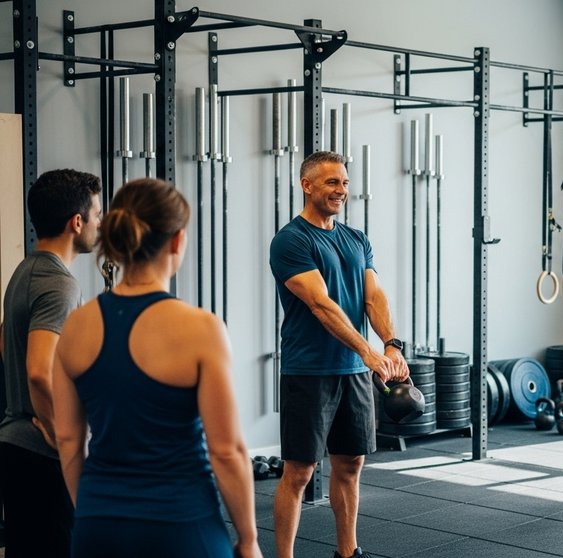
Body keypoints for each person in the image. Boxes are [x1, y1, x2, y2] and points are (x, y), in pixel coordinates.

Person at [50, 178, 261, 558]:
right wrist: (248, 540)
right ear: (177, 241)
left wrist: (95, 512)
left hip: (97, 527)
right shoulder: (201, 328)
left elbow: (68, 441)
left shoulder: (75, 326)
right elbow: (227, 451)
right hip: (181, 525)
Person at [270, 151, 409, 558]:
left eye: (345, 183)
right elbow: (321, 304)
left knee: (351, 464)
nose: (341, 191)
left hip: (354, 371)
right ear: (306, 185)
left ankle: (348, 552)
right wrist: (368, 351)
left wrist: (391, 343)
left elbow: (374, 296)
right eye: (332, 182)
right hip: (309, 370)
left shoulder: (356, 238)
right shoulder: (291, 240)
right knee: (299, 471)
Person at [0, 169, 101, 558]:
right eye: (97, 214)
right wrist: (64, 440)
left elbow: (5, 338)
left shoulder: (25, 270)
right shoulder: (60, 284)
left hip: (16, 446)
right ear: (77, 223)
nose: (100, 223)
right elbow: (39, 370)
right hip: (41, 455)